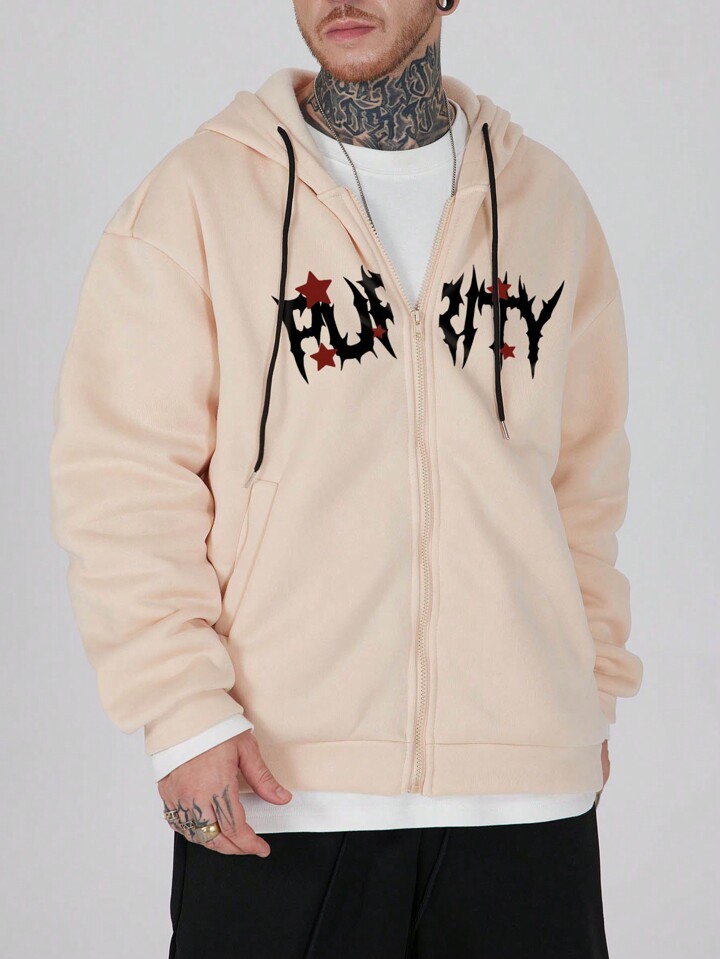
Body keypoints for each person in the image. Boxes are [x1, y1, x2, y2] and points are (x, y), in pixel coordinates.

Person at [49, 1, 644, 956]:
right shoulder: (198, 197)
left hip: (526, 803)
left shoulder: (546, 203)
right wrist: (182, 712)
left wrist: (589, 692)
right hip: (278, 795)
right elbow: (123, 479)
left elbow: (585, 478)